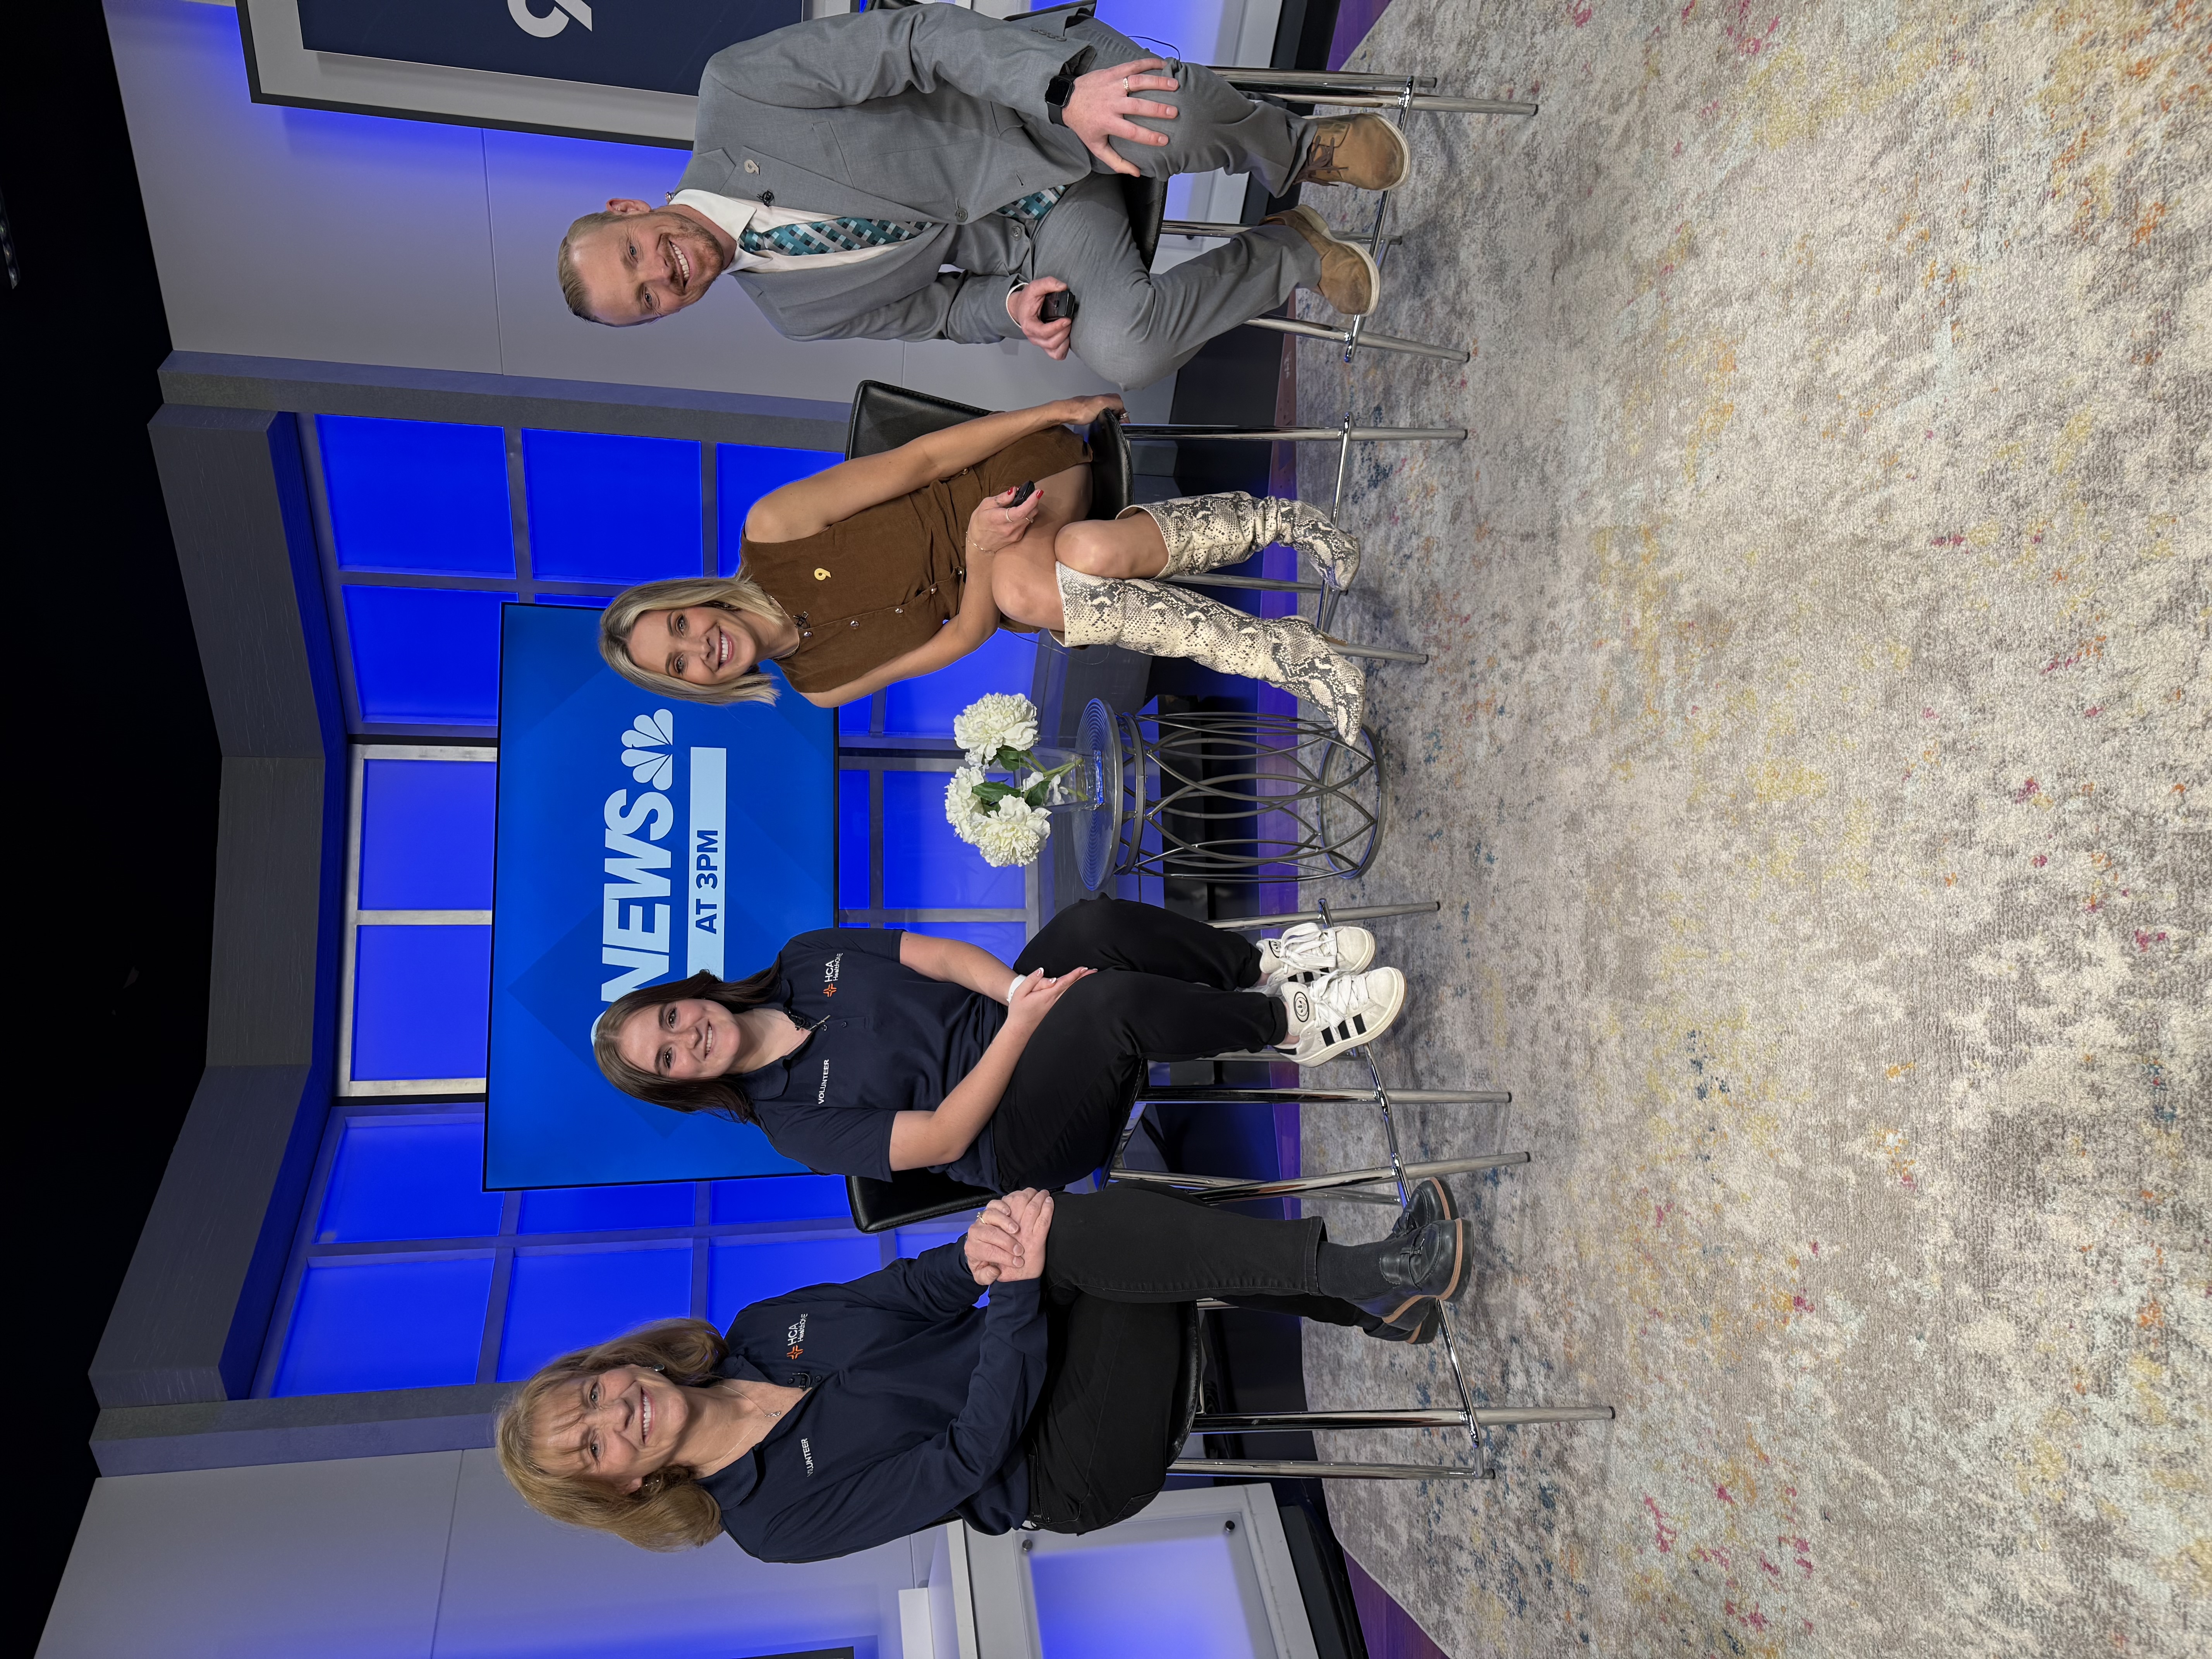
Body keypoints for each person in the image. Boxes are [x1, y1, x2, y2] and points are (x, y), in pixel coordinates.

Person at [495, 1178, 1470, 1558]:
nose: (615, 1415)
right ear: (623, 1485)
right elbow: (963, 1461)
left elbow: (909, 1296)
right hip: (1063, 1460)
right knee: (1101, 1238)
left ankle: (1370, 1293)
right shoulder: (770, 1524)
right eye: (592, 1445)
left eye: (592, 1393)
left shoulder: (757, 1331)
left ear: (616, 1364)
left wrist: (984, 1250)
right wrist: (1016, 1286)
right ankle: (1366, 1283)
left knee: (1099, 1232)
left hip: (1043, 1342)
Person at [554, 4, 1410, 389]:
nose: (663, 276)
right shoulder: (799, 314)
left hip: (1034, 111)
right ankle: (1295, 248)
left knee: (1160, 113)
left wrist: (1058, 92)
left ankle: (1301, 150)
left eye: (635, 256)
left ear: (630, 211)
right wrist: (1011, 308)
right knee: (1126, 354)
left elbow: (915, 40)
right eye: (649, 302)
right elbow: (938, 312)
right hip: (1045, 235)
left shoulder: (736, 92)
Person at [598, 395, 1370, 740]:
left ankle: (1291, 648)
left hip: (1006, 484)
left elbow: (925, 457)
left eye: (680, 627)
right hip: (1004, 574)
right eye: (679, 665)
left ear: (690, 601)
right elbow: (958, 642)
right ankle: (1283, 550)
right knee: (1080, 559)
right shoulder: (821, 690)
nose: (699, 647)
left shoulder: (772, 528)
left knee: (1032, 579)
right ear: (692, 687)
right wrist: (975, 555)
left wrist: (1045, 414)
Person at [593, 898, 1403, 1194]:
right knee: (1104, 1004)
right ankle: (1293, 1029)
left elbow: (940, 959)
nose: (686, 1038)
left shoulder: (808, 957)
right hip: (1013, 1134)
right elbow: (943, 1136)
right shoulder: (792, 1124)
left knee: (1090, 925)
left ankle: (1262, 967)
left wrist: (1016, 994)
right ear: (683, 1087)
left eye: (668, 1019)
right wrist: (1025, 1025)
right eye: (667, 1060)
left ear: (683, 994)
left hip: (1007, 1020)